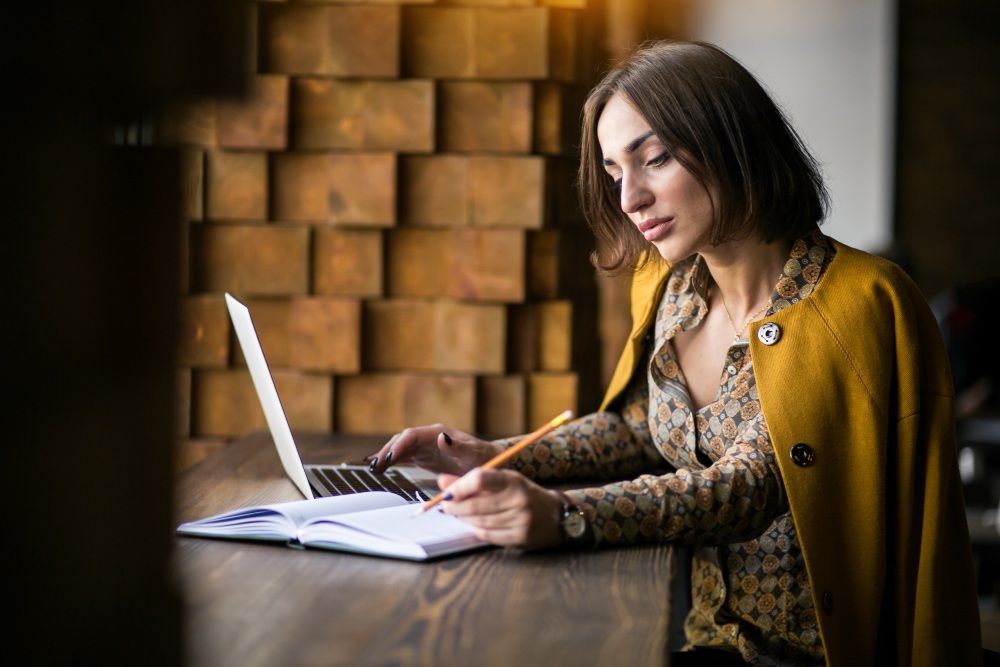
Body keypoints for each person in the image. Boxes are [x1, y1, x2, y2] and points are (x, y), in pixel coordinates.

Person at [366, 41, 982, 666]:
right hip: (693, 633)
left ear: (732, 142)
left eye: (654, 159)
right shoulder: (672, 287)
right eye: (613, 173)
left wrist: (567, 514)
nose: (629, 199)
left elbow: (752, 486)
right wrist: (498, 453)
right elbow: (639, 429)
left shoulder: (859, 303)